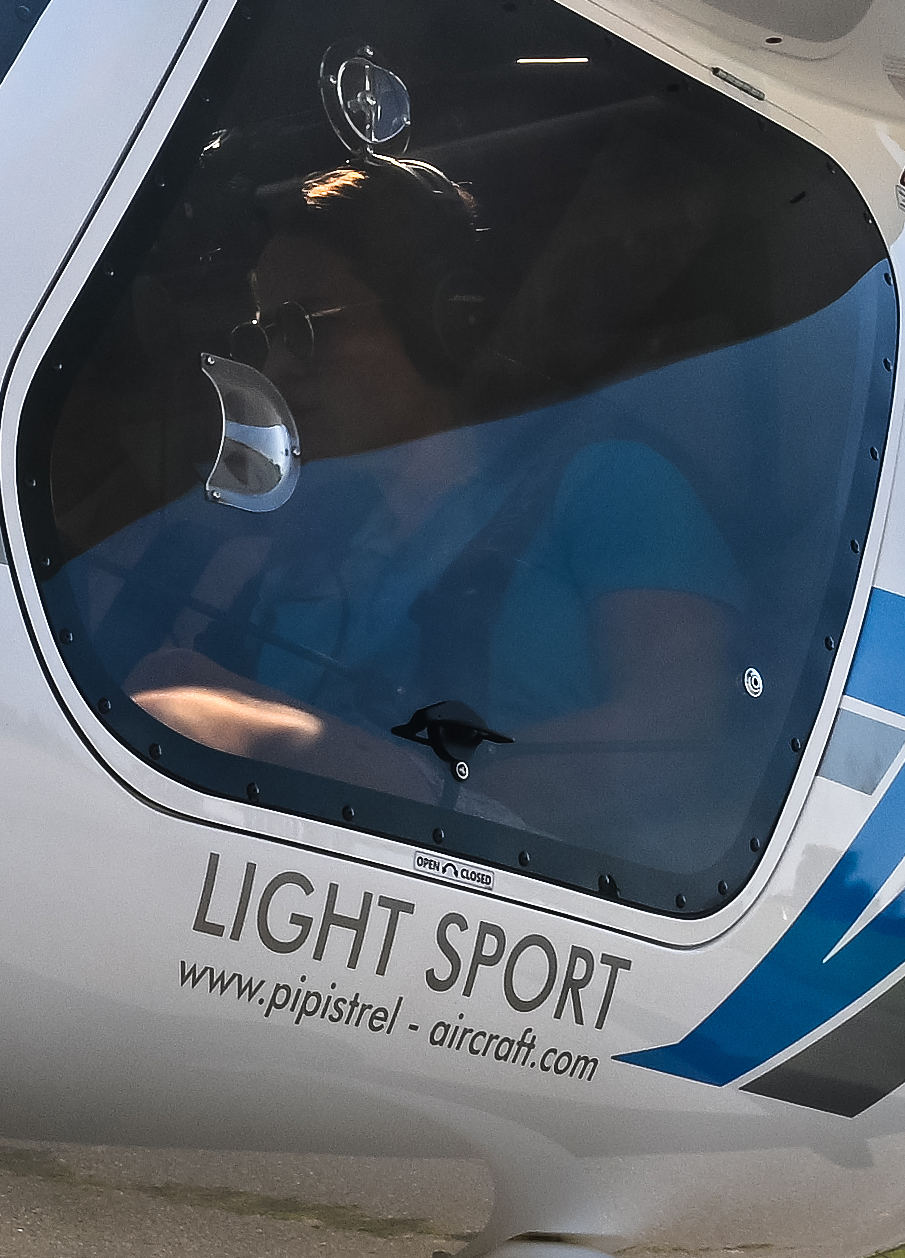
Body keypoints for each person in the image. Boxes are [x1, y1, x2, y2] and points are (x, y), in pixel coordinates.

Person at [87, 191, 739, 841]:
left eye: (305, 328)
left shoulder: (607, 481)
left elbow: (677, 737)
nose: (279, 369)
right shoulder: (302, 552)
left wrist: (422, 787)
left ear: (439, 319)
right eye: (262, 340)